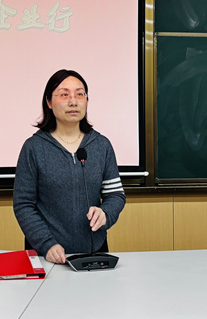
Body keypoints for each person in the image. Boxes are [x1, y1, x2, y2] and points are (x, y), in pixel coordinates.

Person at [13, 69, 126, 263]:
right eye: (64, 95)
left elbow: (115, 195)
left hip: (93, 251)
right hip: (47, 254)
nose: (73, 101)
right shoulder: (34, 148)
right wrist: (46, 244)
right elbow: (23, 205)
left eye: (80, 94)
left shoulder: (101, 145)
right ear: (49, 102)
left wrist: (105, 213)